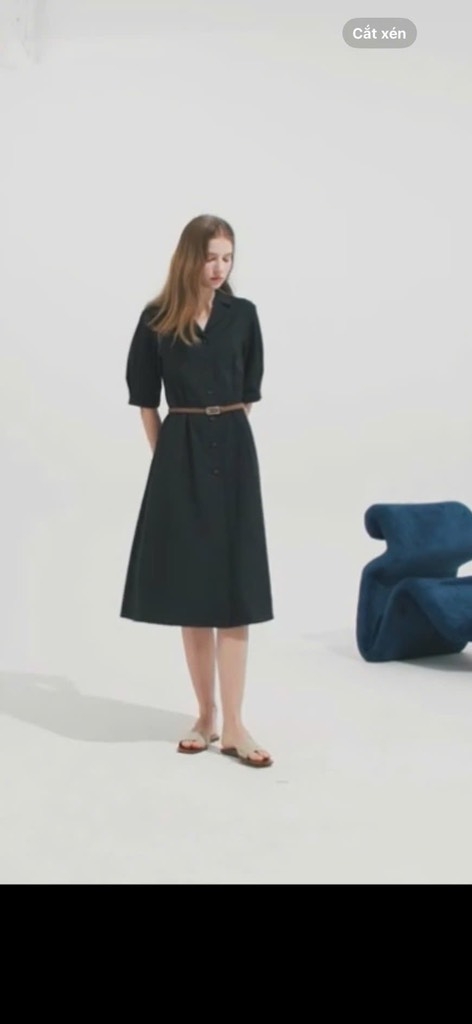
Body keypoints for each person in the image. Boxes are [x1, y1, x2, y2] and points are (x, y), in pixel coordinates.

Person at [120, 214, 274, 768]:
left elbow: (249, 390)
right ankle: (205, 716)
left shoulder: (244, 315)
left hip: (232, 449)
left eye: (227, 257)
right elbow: (145, 400)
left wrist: (221, 432)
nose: (219, 268)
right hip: (178, 452)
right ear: (190, 256)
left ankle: (235, 724)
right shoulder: (157, 318)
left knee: (234, 588)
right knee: (193, 589)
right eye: (210, 257)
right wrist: (167, 459)